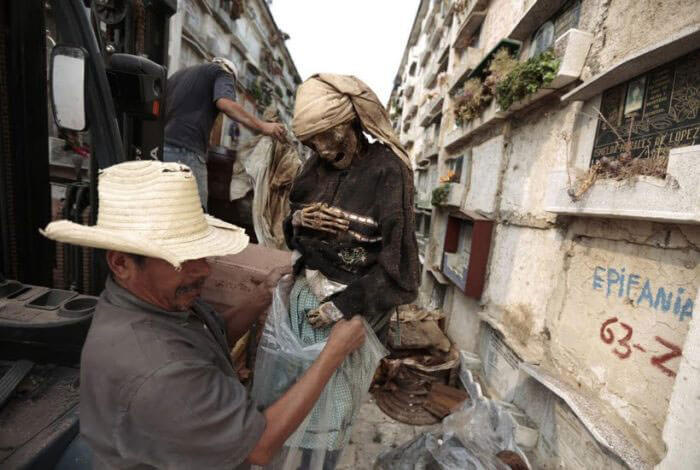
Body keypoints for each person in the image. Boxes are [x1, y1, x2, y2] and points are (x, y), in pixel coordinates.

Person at [40, 160, 366, 469]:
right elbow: (261, 446)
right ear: (121, 263)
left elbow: (209, 336)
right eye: (181, 259)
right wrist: (332, 354)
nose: (204, 270)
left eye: (202, 254)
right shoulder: (160, 371)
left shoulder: (152, 302)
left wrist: (260, 298)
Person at [253, 74, 420, 469]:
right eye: (312, 143)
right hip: (301, 308)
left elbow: (403, 274)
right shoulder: (316, 168)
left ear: (352, 122)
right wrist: (299, 220)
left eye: (330, 136)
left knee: (327, 418)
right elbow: (293, 238)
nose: (323, 150)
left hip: (346, 318)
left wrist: (341, 306)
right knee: (288, 405)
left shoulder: (388, 171)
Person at [164, 57, 286, 209]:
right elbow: (225, 104)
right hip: (186, 153)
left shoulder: (179, 75)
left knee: (164, 211)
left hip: (161, 149)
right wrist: (263, 126)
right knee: (196, 215)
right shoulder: (222, 73)